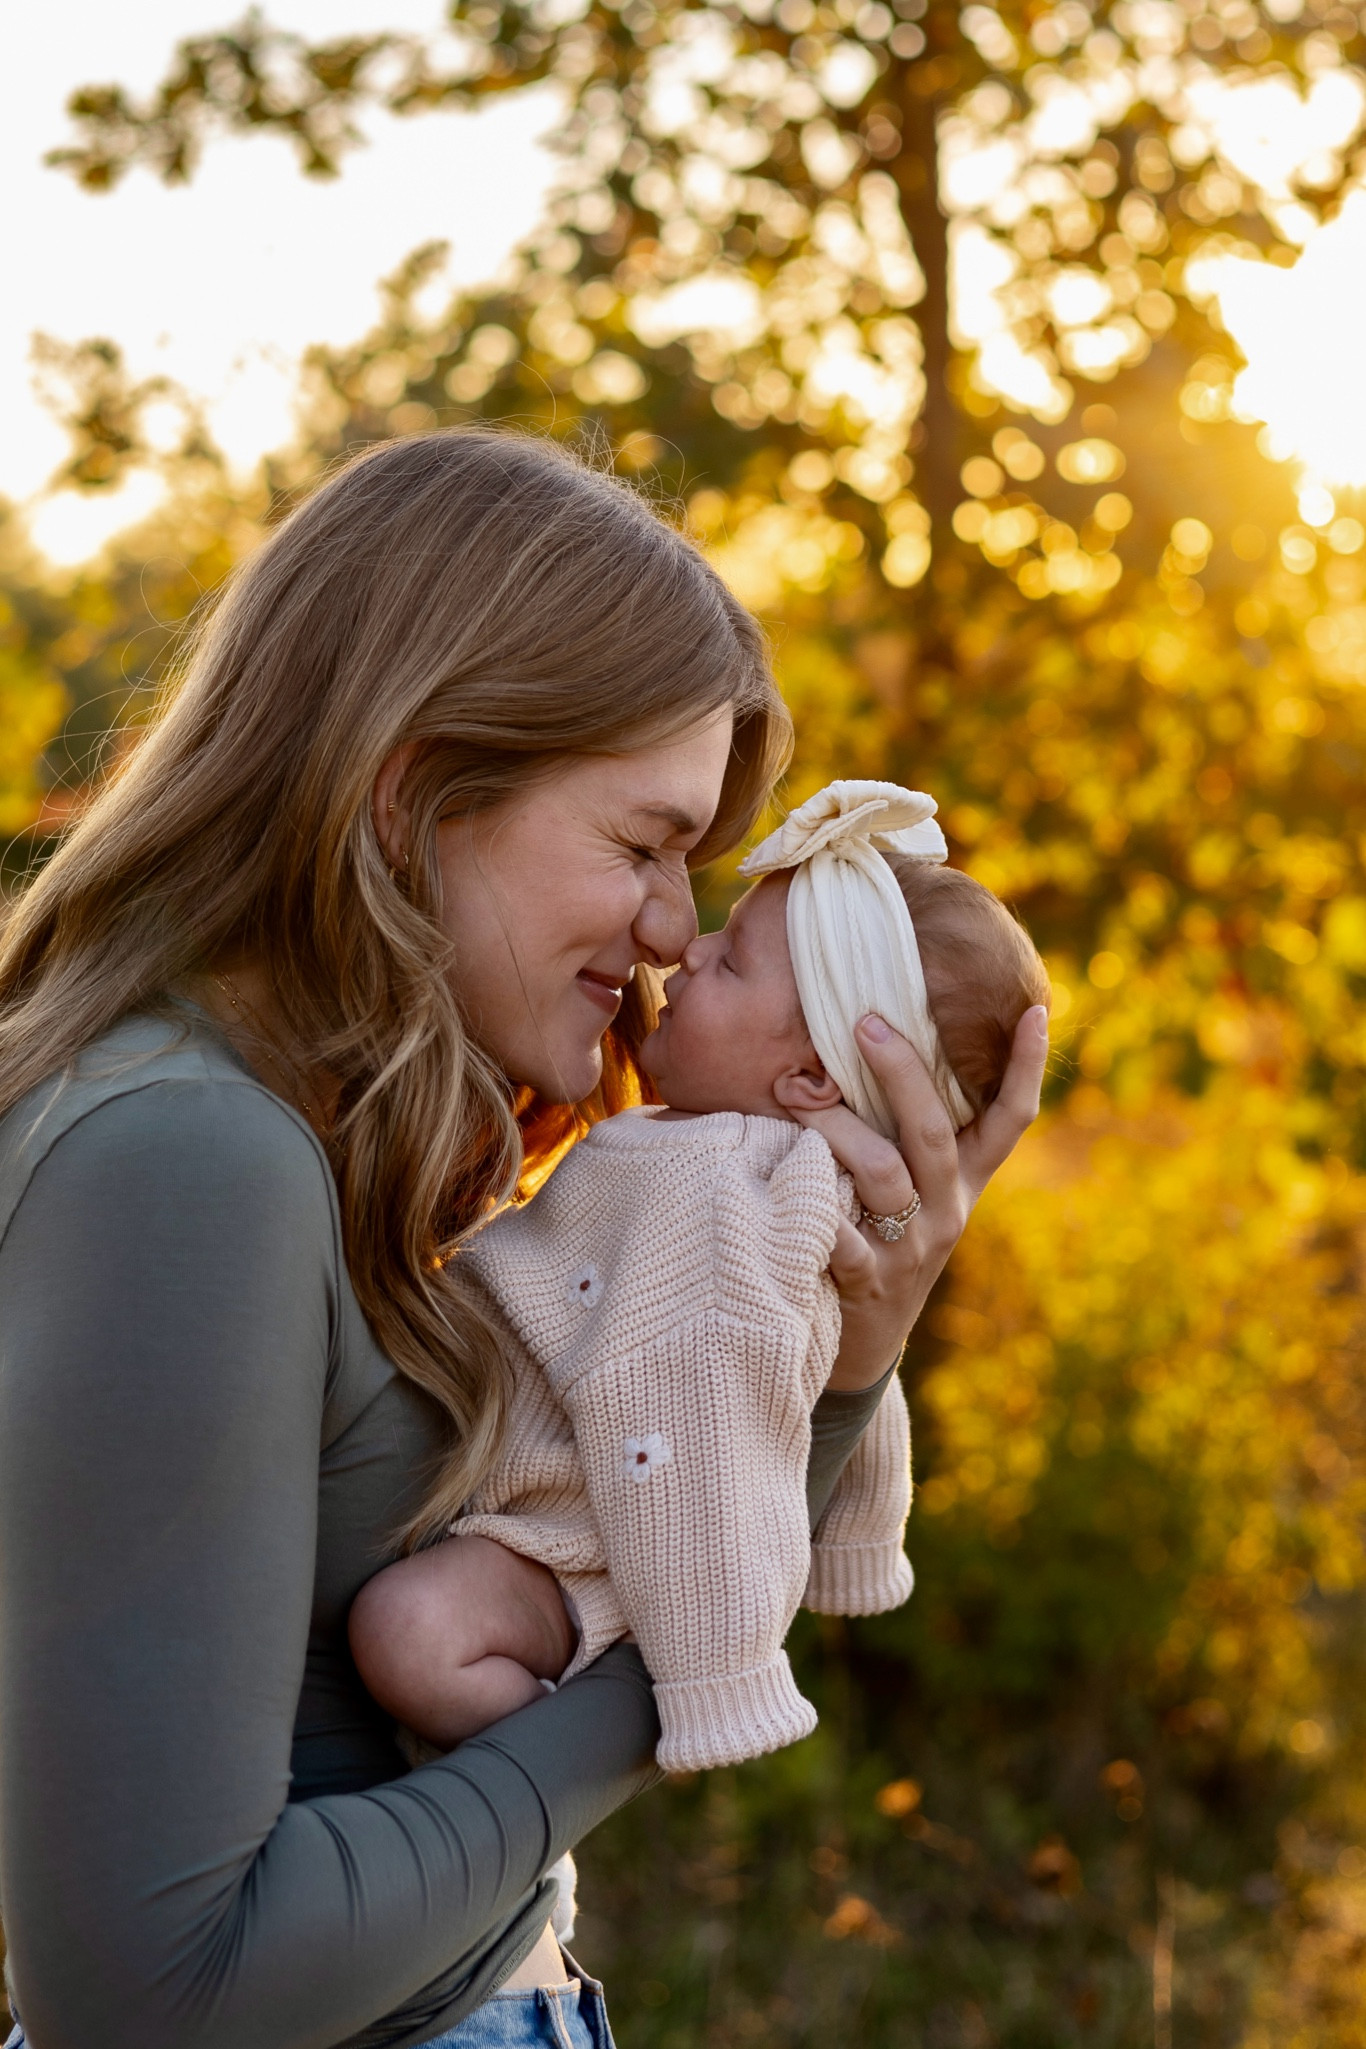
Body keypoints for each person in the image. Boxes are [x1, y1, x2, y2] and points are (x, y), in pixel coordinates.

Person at [0, 431, 1049, 2049]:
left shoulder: (302, 1130)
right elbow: (152, 1992)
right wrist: (669, 1675)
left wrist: (850, 1343)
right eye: (642, 845)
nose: (672, 928)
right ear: (415, 791)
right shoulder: (185, 1152)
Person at [347, 781, 1050, 1792]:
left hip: (565, 1543)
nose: (689, 952)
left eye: (734, 962)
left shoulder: (717, 1191)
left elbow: (699, 1397)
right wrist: (857, 1540)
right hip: (554, 1495)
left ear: (812, 1079)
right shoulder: (775, 1182)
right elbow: (835, 1369)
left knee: (411, 1631)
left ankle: (531, 1775)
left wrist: (721, 1673)